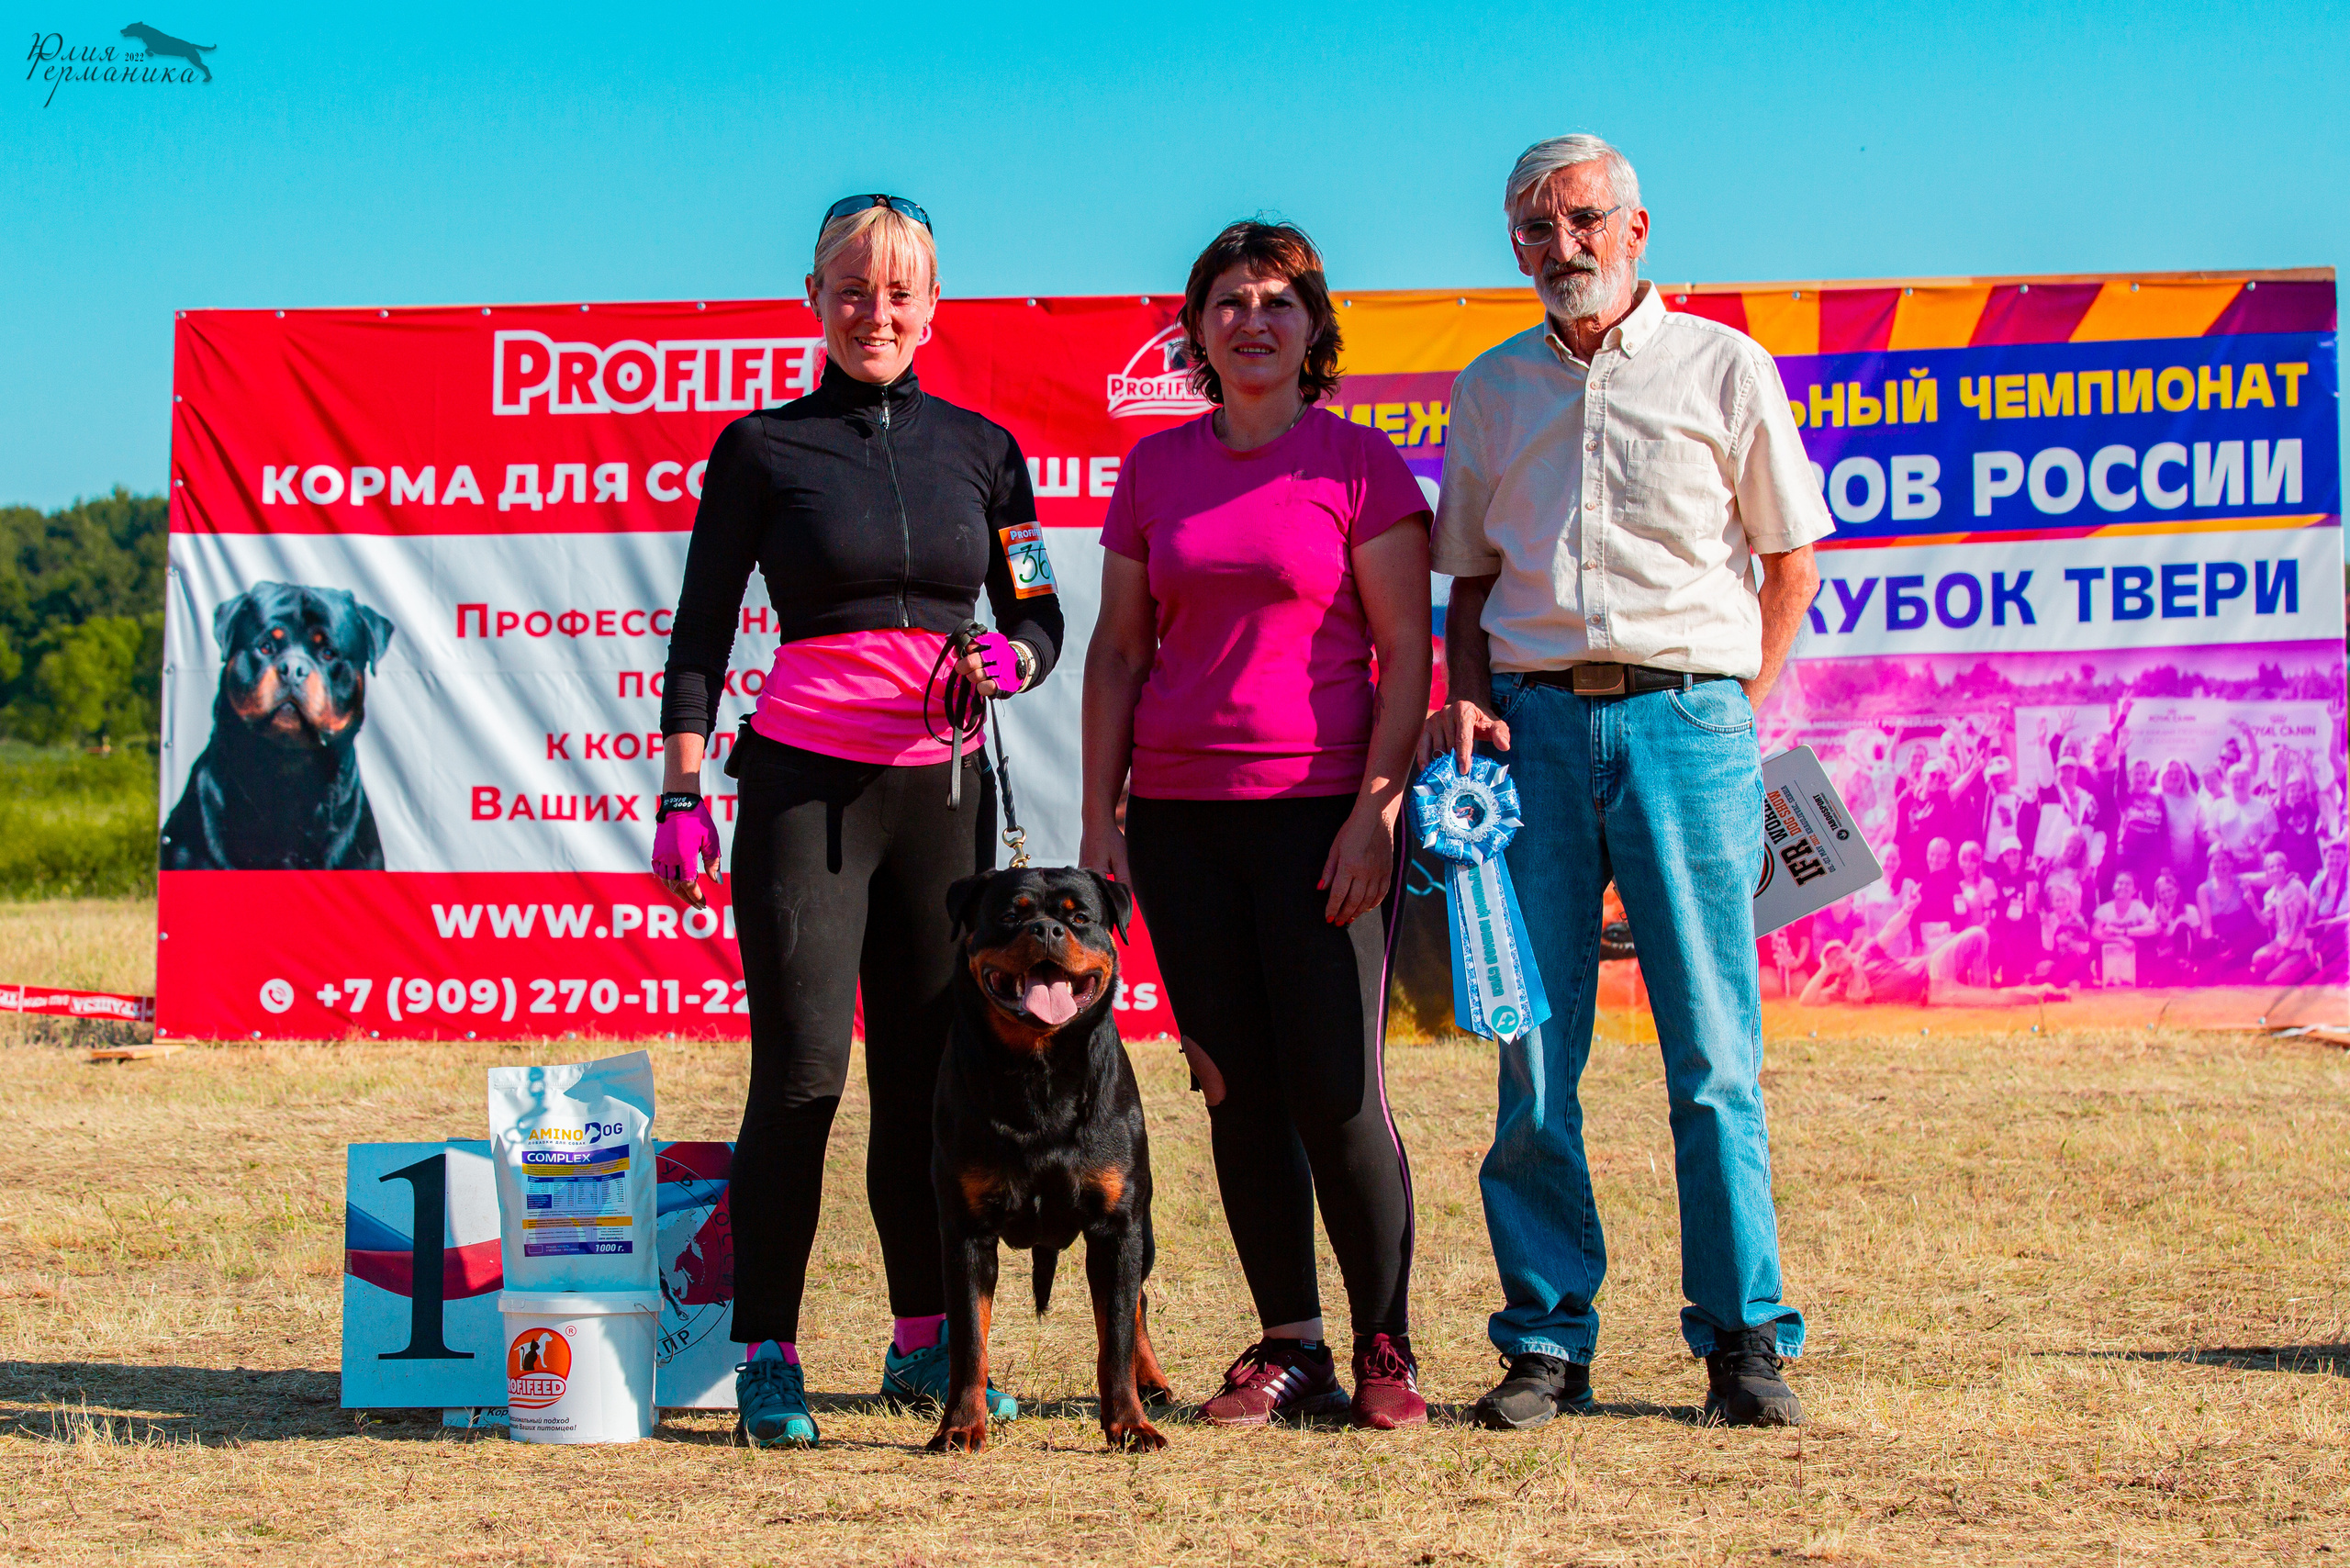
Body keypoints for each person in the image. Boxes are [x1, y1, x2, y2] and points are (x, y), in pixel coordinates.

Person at [1422, 134, 1827, 1430]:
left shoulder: (1726, 366)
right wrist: (1475, 698)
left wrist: (1728, 705)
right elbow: (1471, 582)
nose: (1564, 248)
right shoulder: (1487, 390)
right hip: (1529, 739)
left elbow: (1789, 564)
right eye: (1536, 230)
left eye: (1584, 220)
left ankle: (1744, 1341)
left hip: (1685, 725)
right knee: (1532, 1052)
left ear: (1637, 228)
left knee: (1713, 1053)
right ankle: (1547, 1341)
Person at [653, 195, 1065, 1449]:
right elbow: (700, 635)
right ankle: (766, 1353)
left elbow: (1038, 612)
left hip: (944, 797)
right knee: (802, 1081)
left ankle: (927, 1337)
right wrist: (680, 790)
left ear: (934, 306)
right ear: (815, 300)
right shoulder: (761, 450)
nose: (874, 312)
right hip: (801, 798)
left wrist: (1020, 661)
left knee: (934, 1085)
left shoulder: (987, 449)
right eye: (851, 289)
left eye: (899, 292)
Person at [1080, 219, 1434, 1431]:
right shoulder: (1153, 473)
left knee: (1338, 1091)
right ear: (1197, 330)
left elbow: (1405, 657)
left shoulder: (1361, 468)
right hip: (1181, 829)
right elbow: (1121, 654)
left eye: (1279, 300)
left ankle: (1386, 1347)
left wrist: (1377, 812)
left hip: (1321, 821)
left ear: (1313, 327)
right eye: (1228, 301)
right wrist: (1102, 820)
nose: (1254, 319)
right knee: (1233, 1087)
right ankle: (1292, 1346)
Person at [2090, 870, 2157, 986]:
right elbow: (2095, 933)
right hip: (2110, 953)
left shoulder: (2138, 906)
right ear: (2113, 887)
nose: (2123, 887)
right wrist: (2119, 939)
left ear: (2134, 890)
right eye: (2120, 883)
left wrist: (2123, 932)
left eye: (2128, 884)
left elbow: (2152, 927)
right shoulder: (2104, 909)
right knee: (2096, 943)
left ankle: (2144, 978)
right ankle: (2102, 978)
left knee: (2148, 940)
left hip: (2133, 950)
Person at [2143, 867, 2203, 986]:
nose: (2167, 895)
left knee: (2182, 927)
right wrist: (2164, 924)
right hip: (2167, 957)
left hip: (2187, 954)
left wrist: (2175, 946)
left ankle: (2186, 968)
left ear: (2177, 889)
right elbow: (2161, 945)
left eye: (2170, 890)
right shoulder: (2155, 912)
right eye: (2162, 893)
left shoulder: (2190, 910)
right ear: (2158, 896)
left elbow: (2195, 939)